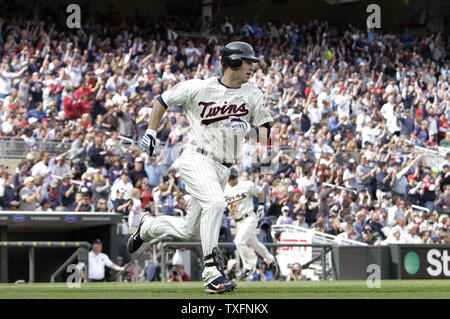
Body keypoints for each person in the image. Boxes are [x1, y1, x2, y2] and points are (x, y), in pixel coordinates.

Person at [130, 41, 273, 294]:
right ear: (233, 62)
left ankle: (148, 227)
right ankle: (211, 271)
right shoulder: (200, 87)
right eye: (248, 61)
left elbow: (265, 134)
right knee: (216, 204)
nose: (253, 66)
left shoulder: (253, 94)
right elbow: (162, 99)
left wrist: (250, 129)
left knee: (189, 230)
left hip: (224, 168)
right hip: (197, 158)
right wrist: (151, 131)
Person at [224, 167, 279, 280]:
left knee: (239, 241)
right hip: (238, 221)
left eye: (232, 178)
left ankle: (248, 267)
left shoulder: (246, 184)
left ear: (236, 177)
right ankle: (271, 260)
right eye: (228, 178)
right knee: (255, 244)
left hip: (249, 217)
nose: (230, 180)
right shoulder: (224, 188)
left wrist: (261, 205)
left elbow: (260, 192)